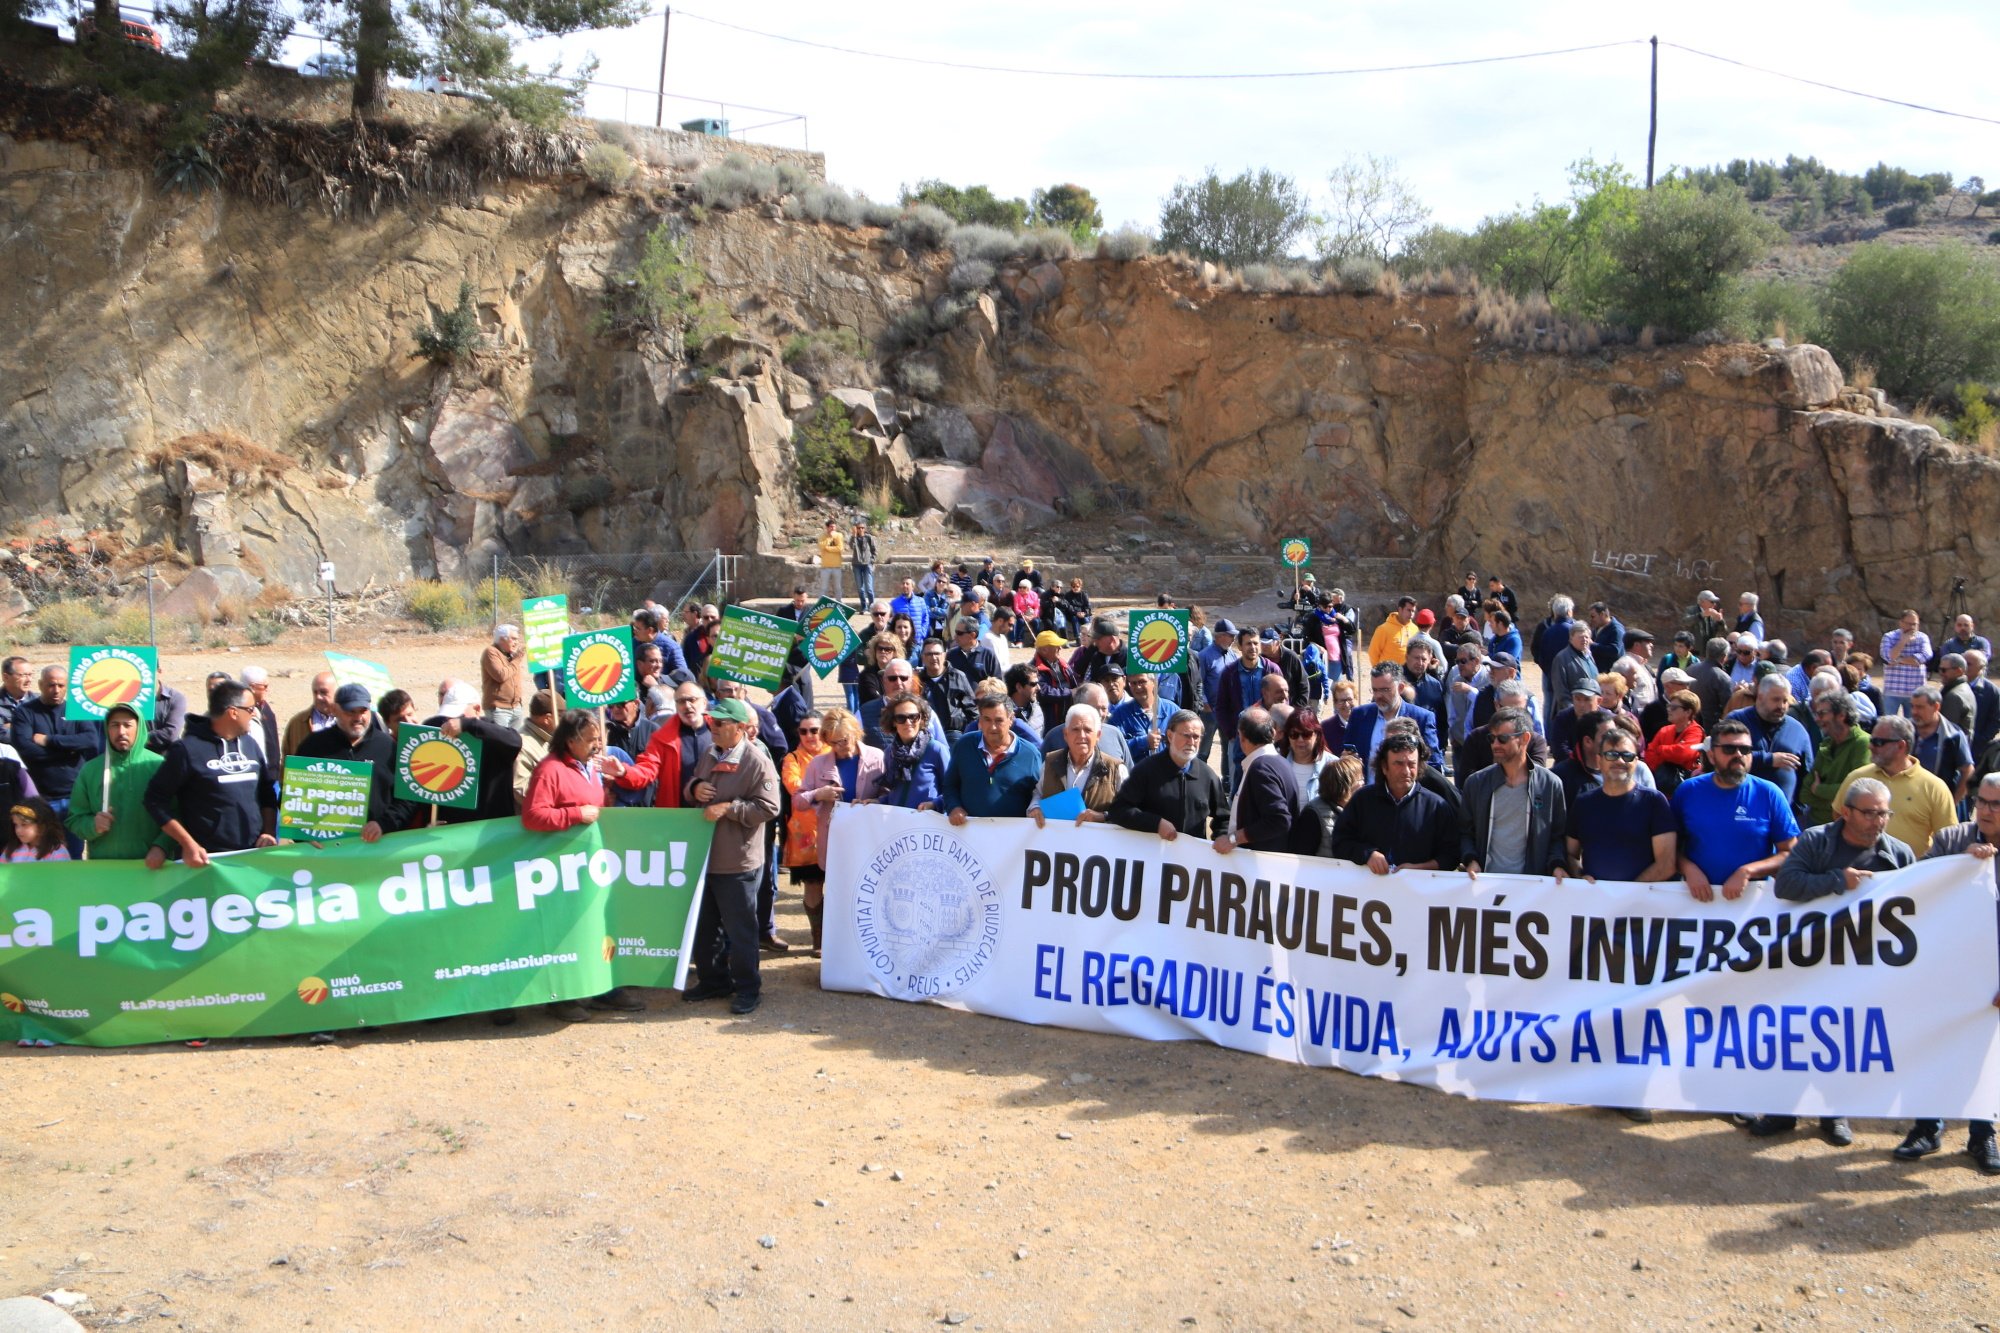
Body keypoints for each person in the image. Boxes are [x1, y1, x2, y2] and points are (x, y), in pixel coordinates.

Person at [1893, 772, 2000, 1173]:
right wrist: (1959, 864)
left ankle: (1982, 1134)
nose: (1986, 810)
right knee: (1936, 1044)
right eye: (1982, 802)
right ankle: (1926, 1126)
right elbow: (1919, 886)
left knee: (1987, 1054)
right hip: (1947, 964)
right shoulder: (1952, 838)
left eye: (1995, 804)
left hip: (1994, 970)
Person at [677, 696, 781, 1015]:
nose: (714, 728)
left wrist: (729, 809)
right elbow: (693, 785)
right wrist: (694, 787)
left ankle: (748, 988)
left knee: (741, 929)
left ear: (740, 729)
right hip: (707, 855)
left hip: (738, 860)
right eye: (712, 722)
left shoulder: (756, 761)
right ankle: (713, 980)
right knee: (707, 925)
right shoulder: (710, 754)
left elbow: (770, 807)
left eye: (720, 723)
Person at [516, 711, 615, 1022]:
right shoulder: (550, 771)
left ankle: (601, 988)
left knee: (595, 925)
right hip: (560, 867)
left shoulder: (589, 764)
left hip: (589, 864)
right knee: (566, 931)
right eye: (591, 740)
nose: (598, 745)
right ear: (571, 741)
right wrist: (574, 815)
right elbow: (533, 816)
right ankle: (562, 997)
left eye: (599, 738)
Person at [144, 679, 278, 867]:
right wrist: (187, 843)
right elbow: (154, 799)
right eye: (250, 709)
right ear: (233, 712)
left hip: (253, 856)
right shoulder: (187, 750)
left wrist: (269, 832)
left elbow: (267, 793)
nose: (254, 713)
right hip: (208, 862)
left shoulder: (250, 745)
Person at [1671, 719, 1800, 903]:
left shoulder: (1769, 793)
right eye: (1729, 749)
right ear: (1712, 755)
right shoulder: (1688, 791)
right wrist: (1688, 869)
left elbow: (1789, 853)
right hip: (1697, 901)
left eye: (1745, 750)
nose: (1738, 755)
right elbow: (1669, 849)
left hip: (1753, 903)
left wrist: (1747, 871)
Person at [799, 707, 884, 955]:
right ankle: (835, 944)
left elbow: (890, 793)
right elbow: (798, 800)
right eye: (834, 742)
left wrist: (876, 802)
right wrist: (818, 794)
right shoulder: (818, 764)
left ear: (856, 733)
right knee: (838, 892)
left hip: (869, 839)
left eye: (844, 740)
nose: (841, 747)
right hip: (834, 840)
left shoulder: (877, 757)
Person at [293, 684, 419, 843]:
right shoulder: (313, 746)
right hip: (325, 850)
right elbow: (293, 794)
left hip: (378, 849)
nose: (358, 717)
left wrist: (384, 824)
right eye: (350, 711)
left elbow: (408, 799)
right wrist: (304, 833)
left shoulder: (389, 747)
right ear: (335, 710)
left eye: (363, 711)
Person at [1460, 707, 1568, 877]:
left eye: (1503, 739)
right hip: (1485, 882)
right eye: (1492, 738)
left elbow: (1557, 836)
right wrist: (1470, 860)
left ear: (1524, 738)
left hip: (1532, 887)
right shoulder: (1476, 784)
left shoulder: (1550, 785)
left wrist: (1557, 865)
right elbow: (1465, 832)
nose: (1495, 745)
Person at [1832, 714, 1958, 854]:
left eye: (1878, 742)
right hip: (1860, 871)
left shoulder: (1934, 787)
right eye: (1871, 740)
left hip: (1910, 873)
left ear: (1900, 745)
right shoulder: (1857, 778)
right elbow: (1839, 816)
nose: (1870, 746)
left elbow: (1949, 838)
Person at [1331, 733, 1457, 873]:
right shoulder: (1362, 800)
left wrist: (1417, 869)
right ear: (1384, 767)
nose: (1406, 771)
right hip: (1368, 891)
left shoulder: (1436, 806)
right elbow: (1340, 842)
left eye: (1411, 764)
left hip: (1417, 891)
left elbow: (1451, 856)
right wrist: (1368, 854)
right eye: (1398, 764)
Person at [1565, 727, 1676, 882]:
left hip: (1642, 902)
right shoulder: (1583, 804)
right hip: (1595, 901)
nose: (1619, 761)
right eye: (1611, 755)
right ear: (1599, 760)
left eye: (1627, 756)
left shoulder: (1654, 802)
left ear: (1636, 762)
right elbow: (1570, 854)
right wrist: (1579, 876)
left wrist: (1623, 896)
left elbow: (1666, 864)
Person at [12, 664, 102, 852]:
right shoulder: (25, 712)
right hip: (40, 799)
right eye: (51, 685)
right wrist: (70, 750)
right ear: (40, 684)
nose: (56, 690)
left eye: (61, 685)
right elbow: (26, 750)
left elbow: (90, 740)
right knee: (43, 854)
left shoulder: (76, 711)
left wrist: (48, 740)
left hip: (74, 797)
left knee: (73, 854)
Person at [62, 700, 165, 860]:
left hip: (152, 867)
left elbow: (176, 814)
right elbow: (74, 820)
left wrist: (162, 847)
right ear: (107, 729)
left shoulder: (158, 766)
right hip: (105, 868)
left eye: (127, 725)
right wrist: (92, 826)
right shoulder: (91, 770)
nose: (121, 731)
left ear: (139, 727)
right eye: (115, 725)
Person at [1108, 710, 1226, 843]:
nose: (1191, 742)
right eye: (1186, 735)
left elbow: (1224, 818)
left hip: (1190, 860)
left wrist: (1221, 837)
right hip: (1151, 855)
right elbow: (1119, 810)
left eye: (1196, 737)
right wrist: (1156, 824)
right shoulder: (1146, 770)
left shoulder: (1207, 776)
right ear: (1170, 736)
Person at [608, 680, 712, 810]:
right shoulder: (662, 737)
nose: (687, 705)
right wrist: (624, 772)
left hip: (715, 816)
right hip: (677, 818)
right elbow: (647, 769)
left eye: (692, 700)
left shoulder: (720, 731)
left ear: (704, 703)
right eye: (681, 701)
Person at [942, 693, 1041, 823]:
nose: (992, 727)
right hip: (968, 835)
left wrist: (1036, 808)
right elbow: (950, 785)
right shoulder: (964, 745)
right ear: (980, 720)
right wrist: (954, 807)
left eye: (999, 720)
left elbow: (1039, 793)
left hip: (1015, 838)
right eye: (987, 719)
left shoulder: (1030, 754)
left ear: (1011, 719)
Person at [1214, 708, 1296, 854]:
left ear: (1242, 737)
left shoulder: (1261, 768)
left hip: (1261, 864)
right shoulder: (1281, 762)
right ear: (1272, 733)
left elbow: (1279, 819)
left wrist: (1233, 839)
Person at [1030, 705, 1127, 827]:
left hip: (1099, 844)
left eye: (1087, 730)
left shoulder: (1116, 769)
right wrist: (1035, 808)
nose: (1081, 736)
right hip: (1056, 842)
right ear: (1065, 734)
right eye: (1075, 729)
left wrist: (1104, 816)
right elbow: (1038, 793)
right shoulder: (1050, 762)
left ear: (1098, 736)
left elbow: (1129, 809)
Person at [1342, 663, 1442, 781]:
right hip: (1367, 795)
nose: (1379, 695)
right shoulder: (1359, 715)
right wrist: (1346, 759)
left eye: (1385, 690)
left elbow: (1433, 764)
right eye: (1375, 690)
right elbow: (1347, 754)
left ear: (1400, 688)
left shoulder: (1422, 718)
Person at [1729, 675, 1813, 813]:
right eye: (1776, 700)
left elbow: (1807, 773)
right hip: (1739, 811)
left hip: (1781, 816)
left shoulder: (1797, 730)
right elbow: (1725, 756)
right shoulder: (1737, 720)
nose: (1781, 706)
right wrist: (1768, 759)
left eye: (1785, 701)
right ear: (1760, 697)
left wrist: (1798, 809)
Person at [1801, 691, 1871, 827]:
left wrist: (1819, 790)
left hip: (1843, 827)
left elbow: (1857, 790)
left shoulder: (1863, 743)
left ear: (1841, 715)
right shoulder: (1826, 744)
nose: (1817, 719)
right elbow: (1805, 793)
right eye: (1816, 713)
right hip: (1815, 825)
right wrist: (1836, 801)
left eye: (1822, 713)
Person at [877, 693, 949, 810]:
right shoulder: (889, 752)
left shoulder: (936, 749)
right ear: (893, 722)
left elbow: (953, 789)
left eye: (913, 717)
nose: (908, 722)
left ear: (921, 719)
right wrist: (878, 801)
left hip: (929, 821)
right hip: (899, 821)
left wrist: (935, 804)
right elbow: (896, 794)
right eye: (901, 718)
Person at [1287, 753, 1366, 857]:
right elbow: (1302, 855)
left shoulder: (1360, 810)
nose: (1363, 783)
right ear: (1344, 786)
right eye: (1359, 779)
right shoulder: (1313, 815)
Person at [1909, 684, 1975, 806]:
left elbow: (1968, 771)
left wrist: (1952, 803)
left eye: (1920, 707)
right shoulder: (1904, 730)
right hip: (1907, 800)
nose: (1914, 712)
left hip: (1937, 804)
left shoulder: (1953, 736)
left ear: (1936, 707)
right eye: (1912, 706)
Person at [1644, 689, 1707, 792]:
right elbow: (1649, 757)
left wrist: (1660, 750)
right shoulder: (1665, 730)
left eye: (1674, 708)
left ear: (1688, 712)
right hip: (1662, 786)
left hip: (1687, 787)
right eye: (1668, 706)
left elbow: (1684, 753)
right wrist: (1671, 755)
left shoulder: (1696, 731)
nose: (1668, 709)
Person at [915, 639, 976, 741]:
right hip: (925, 733)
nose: (933, 657)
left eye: (937, 653)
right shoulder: (917, 680)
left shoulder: (958, 676)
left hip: (953, 733)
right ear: (923, 657)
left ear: (944, 655)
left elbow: (972, 709)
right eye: (929, 654)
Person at [1110, 671, 1176, 764]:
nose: (1138, 687)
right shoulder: (1120, 714)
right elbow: (1114, 748)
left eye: (1142, 682)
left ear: (1153, 682)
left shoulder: (1172, 710)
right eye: (1133, 683)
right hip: (1136, 774)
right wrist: (1143, 742)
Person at [1532, 595, 1577, 719]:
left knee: (1549, 705)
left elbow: (1539, 652)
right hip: (1564, 676)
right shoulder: (1573, 630)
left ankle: (1549, 733)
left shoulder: (1547, 630)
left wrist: (1547, 669)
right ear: (1569, 611)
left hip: (1549, 673)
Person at [1277, 711, 1331, 813]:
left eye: (1306, 734)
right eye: (1294, 734)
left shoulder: (1333, 765)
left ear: (1317, 735)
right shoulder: (1277, 766)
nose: (1300, 740)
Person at [1880, 609, 1931, 716]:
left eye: (1915, 624)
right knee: (1888, 724)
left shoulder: (1922, 638)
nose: (1912, 627)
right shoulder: (1889, 637)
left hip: (1916, 691)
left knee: (1914, 726)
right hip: (1893, 690)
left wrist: (1899, 660)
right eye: (1909, 624)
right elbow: (1889, 657)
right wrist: (1903, 642)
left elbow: (1925, 656)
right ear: (1901, 623)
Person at [282, 671, 341, 755]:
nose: (318, 697)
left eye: (323, 692)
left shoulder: (348, 722)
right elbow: (287, 759)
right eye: (315, 692)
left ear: (337, 693)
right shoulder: (297, 722)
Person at [481, 624, 528, 728]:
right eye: (514, 639)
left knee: (515, 743)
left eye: (517, 639)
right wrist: (517, 660)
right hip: (498, 709)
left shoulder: (510, 654)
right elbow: (501, 675)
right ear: (502, 639)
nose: (516, 643)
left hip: (516, 707)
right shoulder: (491, 652)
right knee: (500, 743)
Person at [5, 796, 68, 862]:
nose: (18, 830)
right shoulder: (10, 850)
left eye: (24, 825)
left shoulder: (57, 852)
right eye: (16, 825)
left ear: (42, 827)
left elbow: (64, 872)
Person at [1690, 638, 1735, 730]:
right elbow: (1728, 707)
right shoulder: (1723, 678)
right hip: (1710, 727)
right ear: (1724, 656)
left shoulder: (1690, 669)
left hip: (1689, 722)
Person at [1367, 596, 1420, 669]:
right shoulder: (1383, 629)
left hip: (1407, 675)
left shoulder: (1415, 629)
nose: (1411, 614)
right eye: (1408, 610)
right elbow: (1373, 653)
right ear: (1400, 609)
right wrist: (1379, 671)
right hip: (1387, 674)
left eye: (1413, 611)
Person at [948, 620, 1001, 689]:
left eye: (959, 633)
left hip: (982, 699)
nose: (955, 636)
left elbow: (997, 684)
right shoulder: (950, 655)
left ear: (972, 635)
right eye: (956, 632)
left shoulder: (988, 655)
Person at [815, 517, 847, 602]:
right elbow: (821, 546)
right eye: (831, 527)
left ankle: (839, 603)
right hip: (825, 567)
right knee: (823, 588)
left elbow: (840, 548)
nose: (833, 528)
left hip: (836, 566)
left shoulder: (839, 535)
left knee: (837, 587)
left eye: (834, 527)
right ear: (827, 527)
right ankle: (820, 604)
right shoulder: (822, 536)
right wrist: (829, 538)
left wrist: (828, 549)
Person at [850, 519, 877, 609]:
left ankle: (872, 606)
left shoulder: (869, 538)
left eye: (862, 528)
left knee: (869, 588)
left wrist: (872, 560)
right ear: (856, 529)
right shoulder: (854, 538)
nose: (861, 529)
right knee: (860, 589)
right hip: (856, 565)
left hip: (867, 565)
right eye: (859, 528)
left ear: (865, 529)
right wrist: (854, 536)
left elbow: (874, 550)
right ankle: (863, 606)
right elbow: (851, 546)